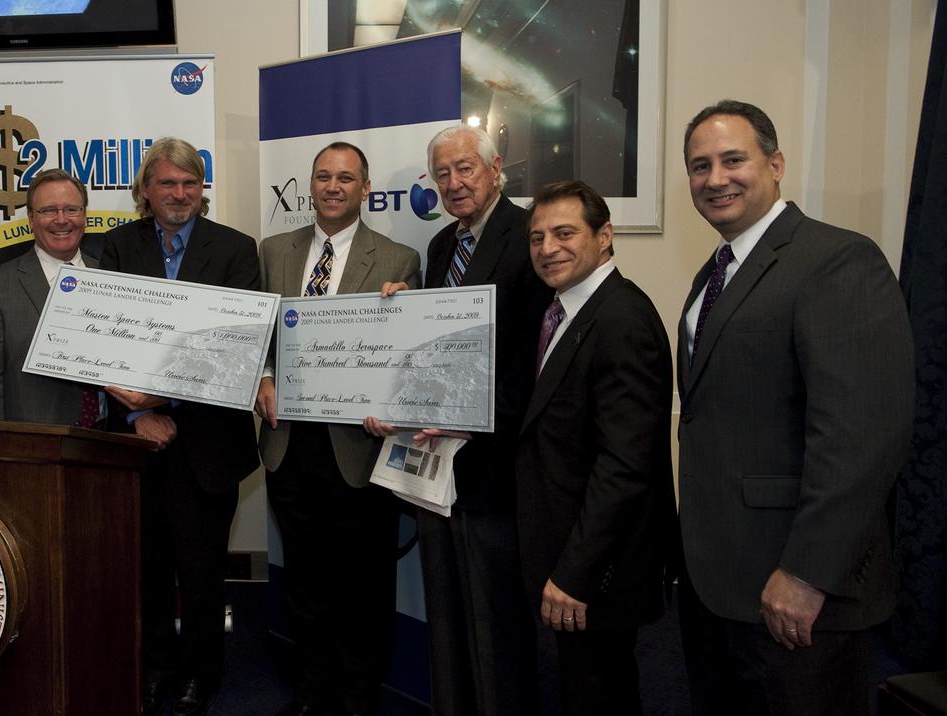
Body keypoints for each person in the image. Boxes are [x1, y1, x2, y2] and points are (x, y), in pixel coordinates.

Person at [677, 99, 915, 715]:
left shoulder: (837, 259)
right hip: (719, 583)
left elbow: (862, 436)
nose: (715, 178)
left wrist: (807, 574)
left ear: (776, 164)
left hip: (796, 590)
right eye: (699, 166)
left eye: (734, 159)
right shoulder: (715, 272)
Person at [369, 124, 548, 715]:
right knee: (447, 614)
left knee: (496, 626)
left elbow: (537, 359)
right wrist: (406, 311)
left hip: (494, 466)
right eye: (442, 173)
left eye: (465, 168)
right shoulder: (443, 246)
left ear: (496, 168)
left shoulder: (530, 237)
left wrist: (478, 419)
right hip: (435, 464)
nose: (454, 182)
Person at [257, 141, 421, 716]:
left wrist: (403, 311)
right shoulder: (272, 250)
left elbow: (404, 354)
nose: (332, 187)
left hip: (356, 447)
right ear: (310, 184)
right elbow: (258, 338)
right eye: (323, 177)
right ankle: (312, 692)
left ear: (364, 189)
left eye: (345, 178)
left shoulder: (398, 260)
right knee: (305, 580)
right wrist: (264, 378)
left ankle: (357, 698)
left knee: (364, 584)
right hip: (288, 445)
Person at [98, 138, 261, 716]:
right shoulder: (113, 247)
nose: (179, 194)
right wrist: (141, 413)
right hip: (138, 445)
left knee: (200, 572)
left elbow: (234, 347)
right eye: (167, 183)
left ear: (202, 189)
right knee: (146, 569)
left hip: (210, 444)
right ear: (145, 190)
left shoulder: (238, 251)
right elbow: (108, 339)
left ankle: (200, 674)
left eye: (190, 184)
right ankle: (157, 668)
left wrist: (162, 397)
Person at [519, 180, 674, 714]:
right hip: (570, 548)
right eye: (537, 237)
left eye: (565, 233)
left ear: (604, 236)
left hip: (596, 568)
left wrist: (574, 573)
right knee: (584, 682)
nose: (547, 249)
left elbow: (625, 466)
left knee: (599, 690)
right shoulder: (564, 309)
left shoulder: (621, 318)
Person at [0, 168, 103, 425]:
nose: (61, 219)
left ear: (85, 216)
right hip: (33, 451)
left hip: (113, 445)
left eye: (71, 209)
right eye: (48, 211)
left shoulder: (112, 278)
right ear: (31, 219)